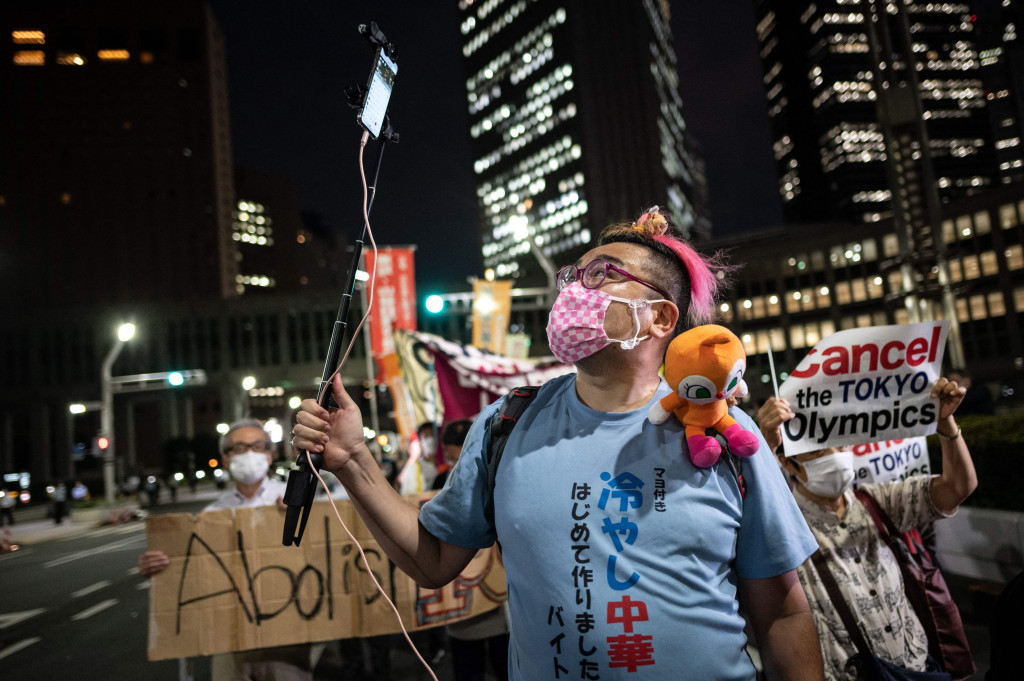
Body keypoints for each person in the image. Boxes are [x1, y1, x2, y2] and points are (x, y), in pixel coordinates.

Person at [293, 208, 823, 680]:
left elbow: (781, 613)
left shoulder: (726, 435)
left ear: (661, 317)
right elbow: (434, 560)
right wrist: (353, 460)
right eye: (573, 276)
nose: (573, 290)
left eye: (600, 276)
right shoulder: (507, 422)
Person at [757, 378, 977, 681]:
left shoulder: (879, 501)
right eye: (818, 452)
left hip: (916, 668)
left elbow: (957, 487)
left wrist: (946, 425)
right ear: (789, 466)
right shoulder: (787, 521)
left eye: (840, 445)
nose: (834, 455)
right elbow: (755, 513)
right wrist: (765, 445)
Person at [139, 418, 319, 681]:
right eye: (239, 448)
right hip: (229, 640)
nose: (249, 453)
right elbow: (192, 573)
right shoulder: (210, 516)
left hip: (287, 634)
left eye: (258, 446)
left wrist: (302, 521)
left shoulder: (297, 501)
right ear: (225, 459)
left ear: (270, 455)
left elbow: (328, 550)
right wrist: (160, 566)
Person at [434, 418, 509, 681]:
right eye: (453, 460)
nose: (457, 467)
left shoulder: (499, 479)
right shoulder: (440, 481)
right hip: (459, 607)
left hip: (496, 605)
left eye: (462, 458)